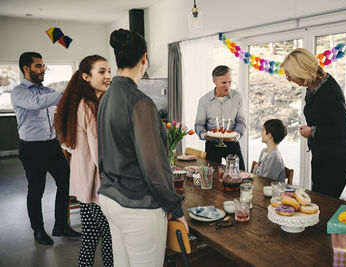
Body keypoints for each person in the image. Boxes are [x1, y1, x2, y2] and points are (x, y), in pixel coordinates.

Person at [97, 28, 188, 267]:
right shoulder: (140, 102)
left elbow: (103, 152)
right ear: (144, 58)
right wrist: (175, 207)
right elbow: (154, 168)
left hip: (110, 198)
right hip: (137, 206)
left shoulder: (106, 97)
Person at [10, 52, 80, 246]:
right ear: (26, 68)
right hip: (32, 149)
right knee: (36, 190)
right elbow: (37, 104)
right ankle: (38, 230)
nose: (43, 70)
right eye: (39, 66)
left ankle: (61, 225)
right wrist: (69, 90)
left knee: (65, 182)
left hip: (52, 145)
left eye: (43, 66)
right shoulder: (19, 92)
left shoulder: (47, 90)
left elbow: (60, 106)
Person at [53, 55, 113, 266]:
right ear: (86, 77)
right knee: (109, 238)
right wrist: (114, 177)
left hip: (84, 182)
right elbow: (99, 151)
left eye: (109, 71)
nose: (108, 76)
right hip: (96, 183)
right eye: (102, 72)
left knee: (89, 238)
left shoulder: (84, 102)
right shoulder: (89, 105)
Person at [280, 48, 346, 198]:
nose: (290, 80)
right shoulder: (314, 86)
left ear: (302, 72)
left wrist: (313, 131)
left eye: (289, 76)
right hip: (322, 155)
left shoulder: (329, 91)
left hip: (335, 160)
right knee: (318, 200)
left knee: (324, 204)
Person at [195, 65, 246, 170]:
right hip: (212, 145)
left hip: (232, 144)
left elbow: (241, 122)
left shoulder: (238, 97)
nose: (227, 86)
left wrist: (236, 135)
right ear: (214, 81)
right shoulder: (204, 101)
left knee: (240, 175)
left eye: (229, 82)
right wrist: (205, 135)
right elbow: (199, 124)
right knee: (212, 177)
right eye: (224, 82)